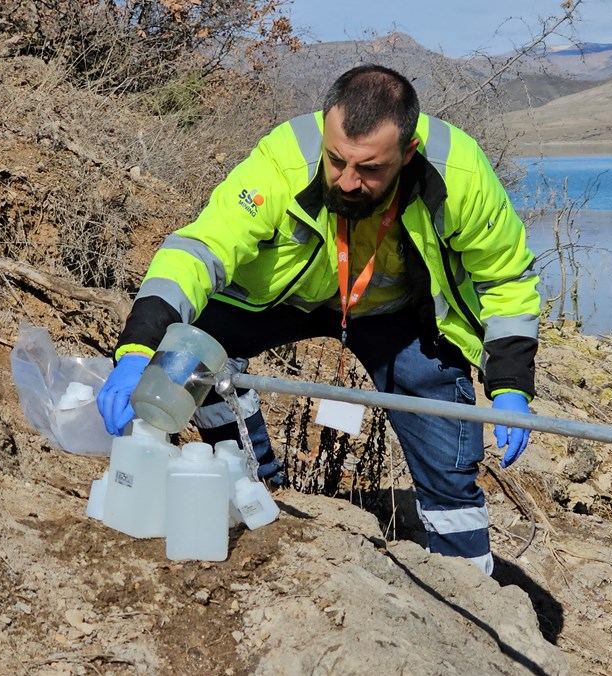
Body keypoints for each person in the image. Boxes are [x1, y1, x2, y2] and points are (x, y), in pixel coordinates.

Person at [97, 64, 540, 575]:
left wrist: (510, 383)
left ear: (408, 153)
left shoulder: (459, 174)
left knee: (447, 446)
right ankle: (252, 480)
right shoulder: (283, 160)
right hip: (286, 297)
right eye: (336, 162)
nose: (348, 182)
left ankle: (468, 578)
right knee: (197, 347)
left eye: (370, 169)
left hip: (396, 311)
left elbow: (506, 279)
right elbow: (198, 250)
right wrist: (137, 350)